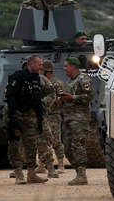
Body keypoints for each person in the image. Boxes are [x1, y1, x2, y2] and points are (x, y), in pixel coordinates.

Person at [5, 55, 49, 184]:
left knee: (31, 144)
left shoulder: (36, 78)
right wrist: (13, 116)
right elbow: (10, 96)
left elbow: (37, 99)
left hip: (30, 116)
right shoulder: (17, 77)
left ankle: (31, 174)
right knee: (15, 145)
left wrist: (40, 118)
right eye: (39, 64)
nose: (41, 67)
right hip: (17, 114)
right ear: (31, 64)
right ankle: (18, 173)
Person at [59, 57, 93, 185]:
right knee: (67, 148)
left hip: (80, 119)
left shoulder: (83, 79)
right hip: (68, 118)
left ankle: (82, 175)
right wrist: (61, 99)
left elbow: (88, 96)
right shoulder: (69, 81)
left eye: (66, 66)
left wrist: (72, 97)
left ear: (73, 66)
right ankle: (78, 172)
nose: (64, 69)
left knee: (78, 145)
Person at [42, 61, 67, 174]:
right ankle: (42, 165)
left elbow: (62, 99)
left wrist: (58, 100)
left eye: (42, 70)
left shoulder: (57, 83)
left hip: (53, 116)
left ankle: (61, 164)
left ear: (47, 72)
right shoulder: (41, 82)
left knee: (56, 140)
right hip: (44, 115)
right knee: (43, 141)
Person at [35, 63, 59, 178]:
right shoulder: (20, 78)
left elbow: (52, 94)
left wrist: (42, 104)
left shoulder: (42, 80)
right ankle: (22, 170)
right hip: (25, 115)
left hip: (40, 115)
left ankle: (50, 168)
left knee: (45, 140)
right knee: (24, 143)